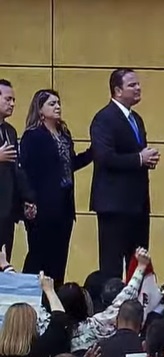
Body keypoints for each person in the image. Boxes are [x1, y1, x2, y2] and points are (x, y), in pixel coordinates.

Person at [90, 68, 158, 279]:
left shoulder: (136, 118)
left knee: (137, 262)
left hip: (137, 204)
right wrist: (139, 159)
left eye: (138, 84)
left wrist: (147, 159)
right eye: (132, 85)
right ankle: (111, 299)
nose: (138, 88)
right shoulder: (104, 118)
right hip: (114, 204)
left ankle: (136, 299)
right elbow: (104, 157)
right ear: (118, 90)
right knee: (112, 265)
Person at [19, 89, 92, 284]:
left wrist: (91, 154)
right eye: (52, 104)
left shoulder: (64, 134)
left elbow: (69, 165)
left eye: (58, 103)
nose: (57, 107)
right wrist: (28, 200)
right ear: (40, 109)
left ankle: (55, 295)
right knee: (39, 256)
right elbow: (25, 171)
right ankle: (29, 295)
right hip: (41, 206)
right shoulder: (33, 136)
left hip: (64, 205)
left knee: (59, 257)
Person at [0, 79, 35, 261]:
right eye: (8, 99)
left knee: (5, 260)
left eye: (13, 100)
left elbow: (16, 168)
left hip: (7, 211)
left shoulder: (10, 131)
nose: (12, 104)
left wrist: (27, 198)